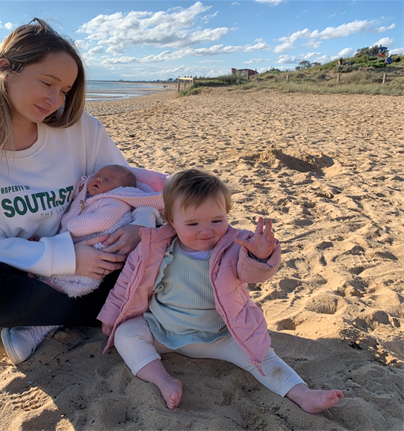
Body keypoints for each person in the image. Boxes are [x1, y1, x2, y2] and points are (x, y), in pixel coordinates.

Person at [0, 19, 162, 365]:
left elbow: (131, 186)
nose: (55, 100)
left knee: (167, 252)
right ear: (5, 69)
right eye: (47, 83)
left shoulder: (82, 129)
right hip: (21, 269)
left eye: (65, 89)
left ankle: (53, 316)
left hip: (98, 263)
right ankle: (117, 307)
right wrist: (63, 256)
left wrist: (139, 226)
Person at [98, 169, 344, 413]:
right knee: (125, 334)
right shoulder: (154, 247)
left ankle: (302, 394)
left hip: (219, 335)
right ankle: (162, 380)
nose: (207, 230)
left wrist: (261, 255)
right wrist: (112, 314)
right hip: (162, 329)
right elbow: (128, 282)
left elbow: (253, 273)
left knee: (262, 356)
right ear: (171, 220)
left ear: (227, 214)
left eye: (217, 220)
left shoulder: (237, 246)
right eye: (193, 223)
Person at [34, 164, 167, 298]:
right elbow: (69, 217)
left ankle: (59, 283)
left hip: (97, 244)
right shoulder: (87, 198)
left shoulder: (116, 202)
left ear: (121, 189)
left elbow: (102, 220)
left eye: (108, 180)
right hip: (75, 242)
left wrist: (72, 226)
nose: (99, 180)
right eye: (97, 176)